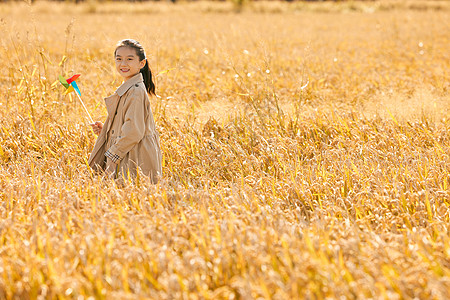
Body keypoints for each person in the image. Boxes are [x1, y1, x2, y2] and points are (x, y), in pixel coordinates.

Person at [88, 39, 162, 183]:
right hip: (128, 151)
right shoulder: (128, 89)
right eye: (119, 59)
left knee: (133, 196)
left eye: (129, 59)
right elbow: (129, 124)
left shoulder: (135, 92)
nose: (123, 64)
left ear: (142, 63)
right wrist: (107, 130)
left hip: (135, 156)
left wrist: (113, 155)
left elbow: (134, 130)